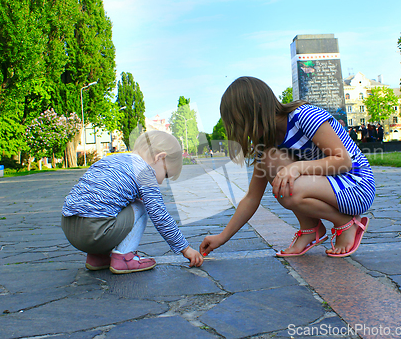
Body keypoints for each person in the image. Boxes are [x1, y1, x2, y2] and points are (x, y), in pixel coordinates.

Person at [200, 77, 375, 258]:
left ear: (258, 108)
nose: (243, 131)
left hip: (356, 185)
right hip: (329, 187)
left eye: (242, 123)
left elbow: (343, 161)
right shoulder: (265, 143)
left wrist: (297, 168)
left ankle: (347, 224)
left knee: (290, 189)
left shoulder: (304, 116)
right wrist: (221, 237)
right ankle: (310, 229)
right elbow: (252, 197)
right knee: (270, 159)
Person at [62, 130, 203, 274]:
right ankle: (124, 258)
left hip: (70, 227)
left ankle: (98, 257)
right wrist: (184, 248)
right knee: (140, 207)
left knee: (115, 205)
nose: (160, 181)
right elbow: (160, 215)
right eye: (165, 174)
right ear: (159, 158)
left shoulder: (112, 159)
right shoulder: (145, 172)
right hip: (94, 231)